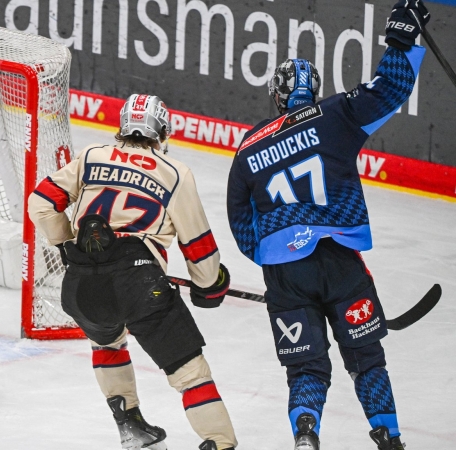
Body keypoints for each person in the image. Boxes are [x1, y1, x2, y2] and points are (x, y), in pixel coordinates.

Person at [226, 2, 428, 449]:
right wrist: (402, 38)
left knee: (306, 368)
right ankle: (390, 439)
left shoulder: (249, 145)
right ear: (312, 92)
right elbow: (389, 88)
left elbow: (239, 219)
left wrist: (273, 256)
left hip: (286, 274)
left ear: (276, 96)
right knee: (366, 359)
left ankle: (305, 435)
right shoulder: (335, 115)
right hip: (340, 262)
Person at [28, 94, 238, 450]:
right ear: (162, 132)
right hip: (139, 282)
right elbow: (200, 251)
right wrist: (210, 285)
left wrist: (68, 247)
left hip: (80, 285)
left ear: (123, 126)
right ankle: (219, 442)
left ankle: (130, 423)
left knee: (106, 341)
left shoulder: (92, 156)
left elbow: (41, 203)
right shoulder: (175, 174)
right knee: (189, 372)